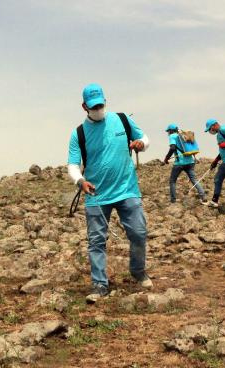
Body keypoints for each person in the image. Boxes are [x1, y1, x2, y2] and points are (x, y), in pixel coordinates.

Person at [67, 83, 152, 298]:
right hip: (97, 195)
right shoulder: (79, 134)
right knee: (96, 241)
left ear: (105, 101)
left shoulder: (122, 119)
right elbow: (73, 165)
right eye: (93, 106)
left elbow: (145, 138)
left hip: (127, 189)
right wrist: (80, 181)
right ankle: (99, 285)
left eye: (101, 104)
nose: (98, 109)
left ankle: (138, 271)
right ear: (84, 106)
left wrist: (141, 144)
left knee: (139, 232)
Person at [163, 124, 207, 204]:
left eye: (168, 131)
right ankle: (203, 196)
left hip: (180, 162)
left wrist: (166, 158)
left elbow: (172, 148)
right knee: (194, 179)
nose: (168, 133)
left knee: (172, 181)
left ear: (171, 131)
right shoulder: (183, 136)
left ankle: (173, 200)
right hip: (190, 162)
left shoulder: (172, 136)